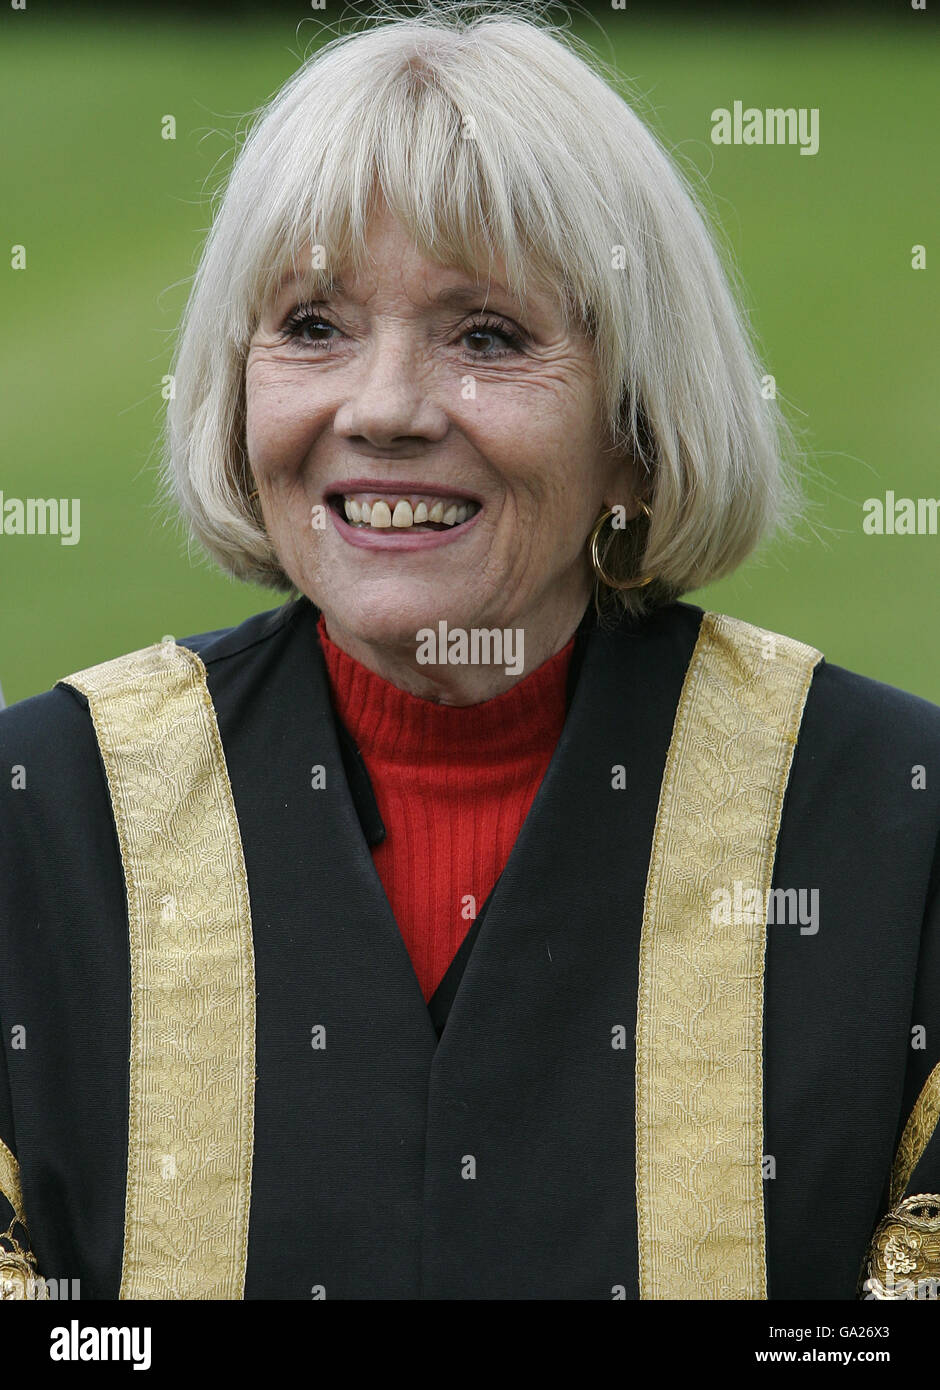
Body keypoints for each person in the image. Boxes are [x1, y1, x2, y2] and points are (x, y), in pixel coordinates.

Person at [1, 4, 938, 1302]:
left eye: (487, 335)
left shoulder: (897, 827)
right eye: (314, 326)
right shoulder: (40, 820)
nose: (383, 408)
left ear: (634, 420)